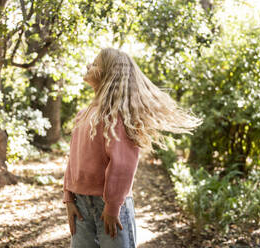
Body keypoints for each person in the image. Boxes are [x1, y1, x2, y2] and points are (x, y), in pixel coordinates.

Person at [63, 48, 203, 248]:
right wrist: (68, 197)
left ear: (108, 75)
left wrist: (112, 207)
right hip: (80, 204)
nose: (88, 65)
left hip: (110, 206)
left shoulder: (116, 117)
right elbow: (72, 160)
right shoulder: (82, 115)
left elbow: (123, 166)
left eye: (95, 64)